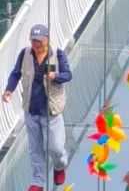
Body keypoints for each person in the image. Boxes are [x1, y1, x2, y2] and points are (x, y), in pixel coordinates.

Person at [4, 23, 72, 190]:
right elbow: (16, 73)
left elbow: (68, 75)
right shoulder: (25, 54)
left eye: (40, 41)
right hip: (32, 111)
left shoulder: (58, 54)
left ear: (47, 39)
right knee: (35, 150)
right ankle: (38, 181)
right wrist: (9, 90)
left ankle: (59, 165)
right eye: (34, 41)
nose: (36, 44)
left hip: (51, 112)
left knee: (55, 148)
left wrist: (55, 76)